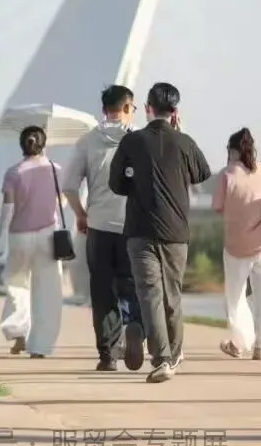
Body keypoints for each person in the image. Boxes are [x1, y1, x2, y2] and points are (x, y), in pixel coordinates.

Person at [109, 82, 211, 383]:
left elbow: (115, 184)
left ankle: (162, 358)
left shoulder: (132, 142)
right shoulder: (185, 142)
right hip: (176, 232)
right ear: (175, 112)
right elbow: (203, 172)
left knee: (149, 294)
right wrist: (181, 134)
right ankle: (174, 355)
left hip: (140, 231)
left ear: (148, 108)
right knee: (172, 294)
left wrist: (136, 183)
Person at [63, 84, 145, 372]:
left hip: (98, 227)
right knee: (136, 285)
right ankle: (135, 327)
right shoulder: (140, 140)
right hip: (133, 226)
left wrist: (80, 214)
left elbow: (69, 185)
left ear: (103, 110)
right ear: (127, 108)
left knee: (102, 291)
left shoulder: (87, 141)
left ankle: (108, 355)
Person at [0, 126, 64, 358]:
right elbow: (61, 202)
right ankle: (40, 346)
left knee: (17, 285)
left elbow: (7, 209)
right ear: (44, 145)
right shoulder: (55, 170)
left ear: (22, 145)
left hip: (19, 237)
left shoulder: (13, 173)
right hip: (48, 235)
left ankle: (18, 331)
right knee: (48, 291)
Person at [211, 128, 261, 360]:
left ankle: (240, 343)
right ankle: (259, 345)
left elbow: (217, 207)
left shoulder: (226, 175)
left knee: (235, 298)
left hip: (236, 247)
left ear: (232, 151)